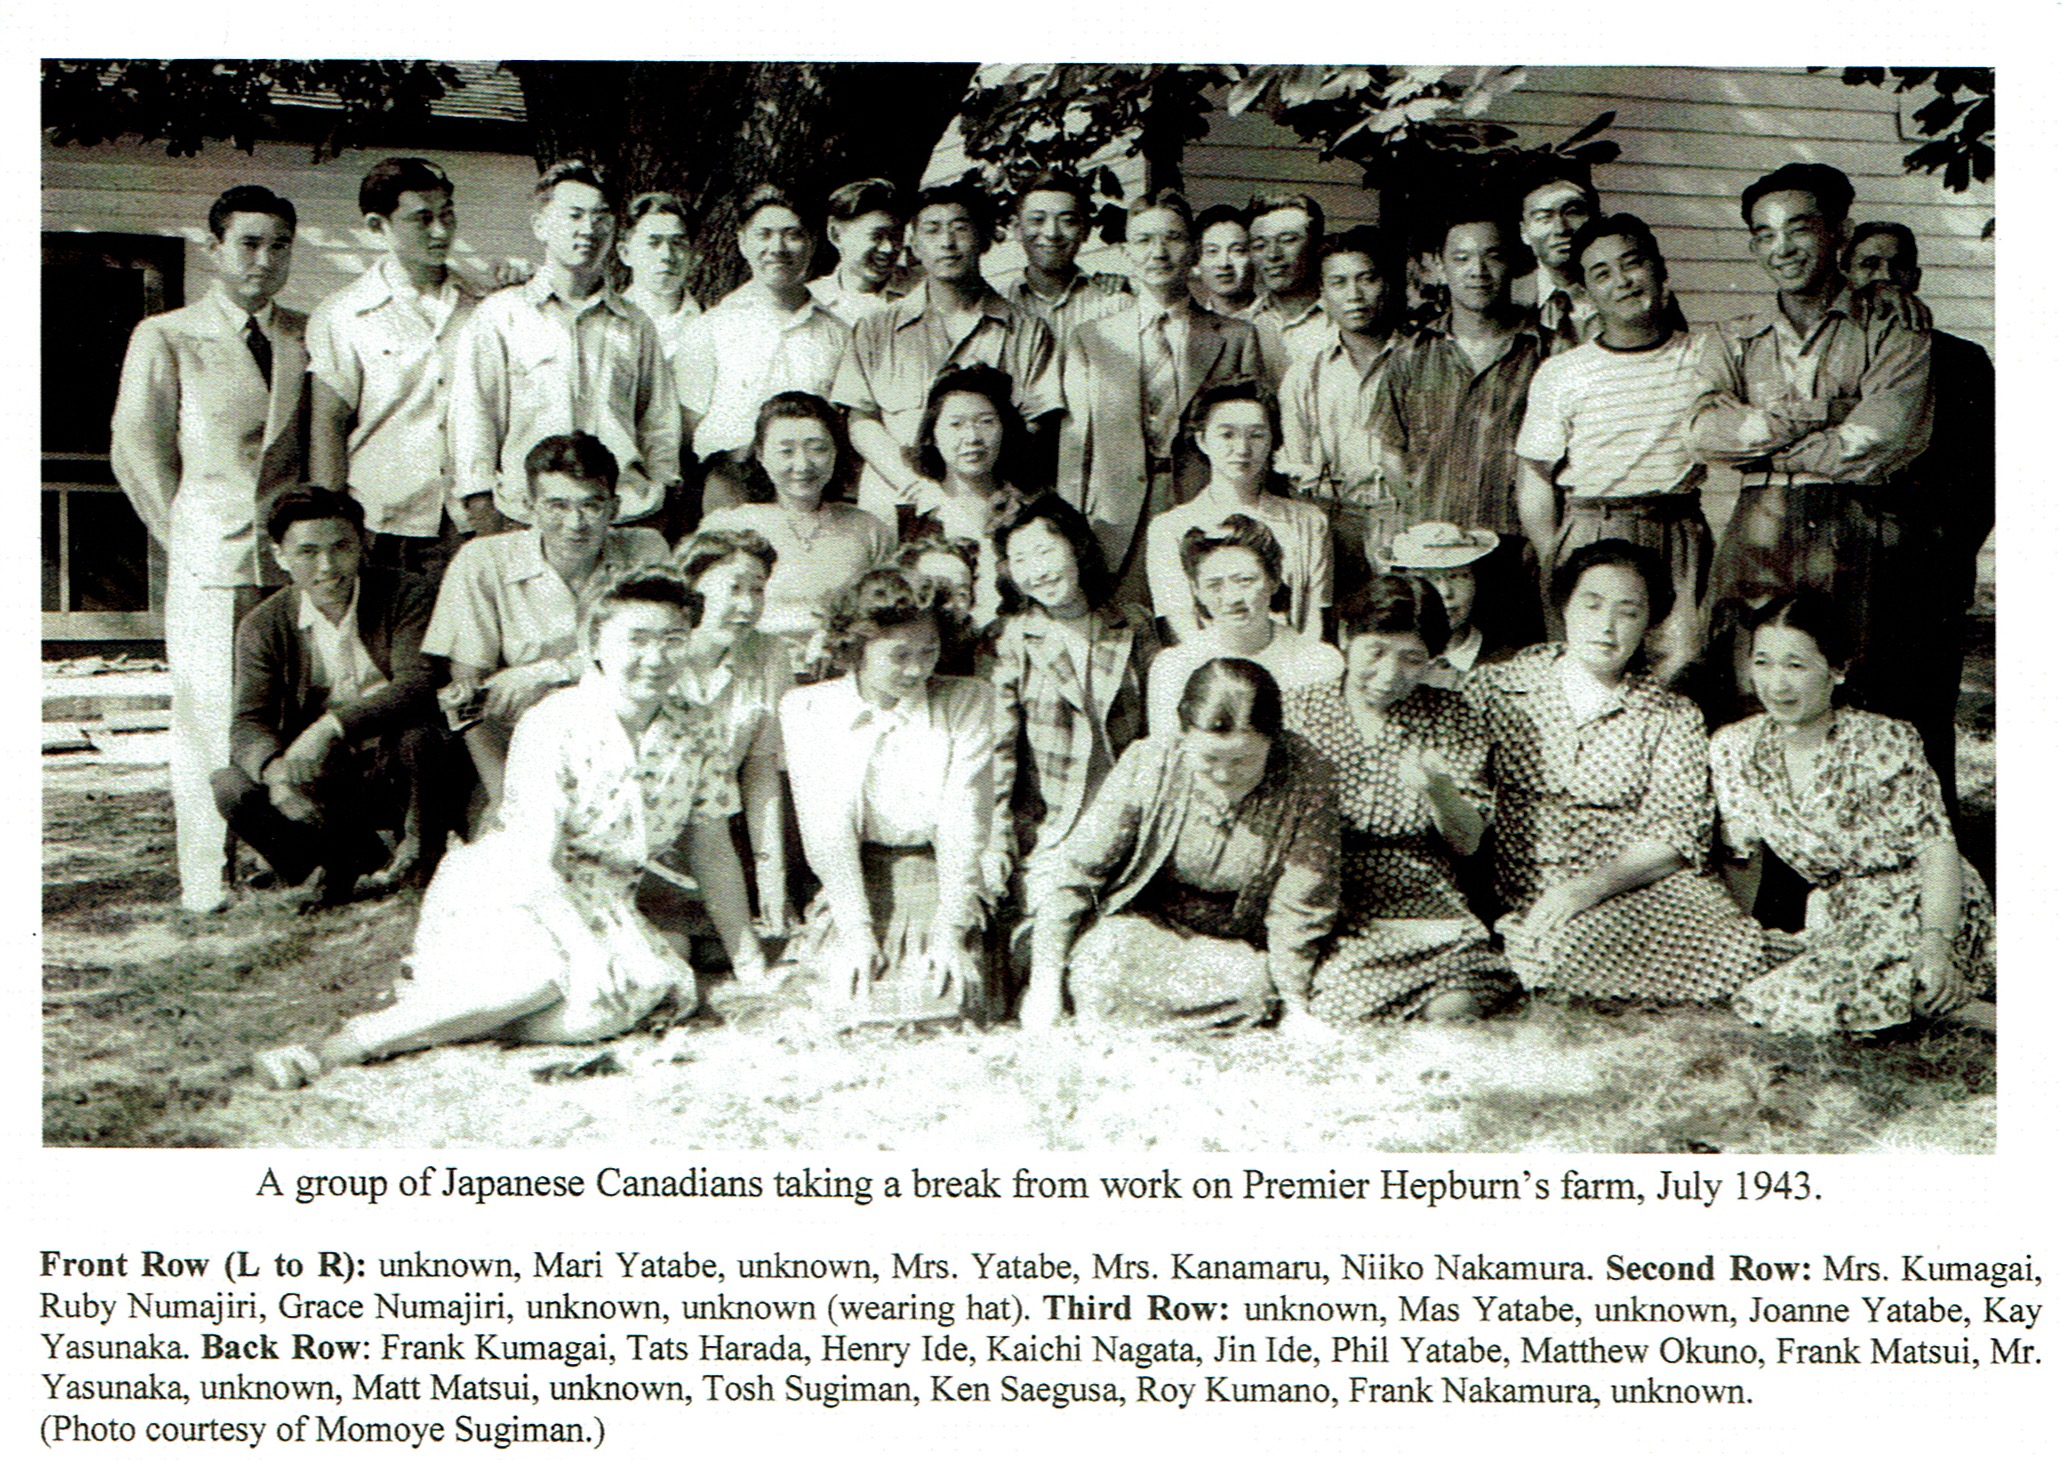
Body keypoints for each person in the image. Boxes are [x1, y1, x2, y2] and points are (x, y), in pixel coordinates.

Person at [254, 572, 738, 1090]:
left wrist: (748, 960)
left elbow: (713, 850)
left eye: (672, 641)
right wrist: (588, 954)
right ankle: (341, 1046)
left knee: (624, 1003)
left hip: (602, 900)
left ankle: (454, 1012)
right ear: (594, 643)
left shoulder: (697, 726)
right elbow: (534, 860)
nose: (656, 658)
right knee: (538, 979)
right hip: (511, 885)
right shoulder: (552, 722)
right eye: (636, 640)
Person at [111, 183, 308, 913]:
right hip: (210, 558)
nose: (265, 259)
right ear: (215, 249)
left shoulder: (305, 335)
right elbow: (137, 448)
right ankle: (205, 873)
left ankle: (278, 856)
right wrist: (183, 535)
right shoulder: (168, 335)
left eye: (280, 244)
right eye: (250, 243)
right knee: (206, 713)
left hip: (287, 559)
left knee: (278, 708)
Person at [1465, 540, 1769, 1002]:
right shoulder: (1498, 688)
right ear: (1565, 606)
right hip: (1535, 888)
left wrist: (1591, 887)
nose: (1607, 627)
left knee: (1736, 946)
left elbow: (1677, 831)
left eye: (1628, 612)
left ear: (1649, 621)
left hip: (1639, 884)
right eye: (1592, 605)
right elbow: (1465, 807)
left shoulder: (1670, 713)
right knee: (1563, 948)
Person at [1688, 163, 1933, 734]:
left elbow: (1877, 441)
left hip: (1857, 528)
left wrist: (1765, 442)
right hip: (1759, 532)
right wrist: (1822, 415)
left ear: (1838, 233)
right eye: (1764, 234)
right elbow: (1704, 433)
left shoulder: (1890, 328)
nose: (1783, 248)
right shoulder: (1733, 338)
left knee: (1858, 697)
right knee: (1747, 696)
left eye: (1799, 228)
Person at [1710, 590, 1994, 1036]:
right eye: (1762, 662)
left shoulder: (1886, 741)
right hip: (1842, 912)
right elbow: (1741, 855)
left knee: (1793, 998)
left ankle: (1980, 1013)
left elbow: (1937, 851)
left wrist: (1935, 942)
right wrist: (1737, 935)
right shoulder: (1734, 748)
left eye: (1796, 665)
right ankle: (1930, 999)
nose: (1776, 684)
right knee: (1764, 989)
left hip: (1924, 900)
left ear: (1836, 671)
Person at [1024, 657, 1339, 1036]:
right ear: (1184, 736)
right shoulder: (1149, 762)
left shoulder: (1307, 777)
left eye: (1243, 761)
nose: (1224, 775)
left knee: (1256, 989)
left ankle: (1125, 1019)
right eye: (1208, 758)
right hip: (1147, 928)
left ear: (1273, 742)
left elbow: (1301, 901)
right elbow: (1077, 875)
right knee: (1099, 961)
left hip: (1237, 946)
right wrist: (1045, 985)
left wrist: (1294, 1003)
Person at [1284, 577, 1517, 1024]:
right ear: (1344, 637)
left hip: (1427, 905)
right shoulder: (1298, 714)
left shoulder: (1452, 716)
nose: (1391, 675)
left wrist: (1439, 789)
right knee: (1347, 1011)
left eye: (1413, 659)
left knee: (1457, 1011)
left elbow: (1468, 842)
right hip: (1331, 905)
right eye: (1375, 652)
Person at [779, 569, 999, 1026]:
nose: (917, 670)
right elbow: (827, 827)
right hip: (854, 875)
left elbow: (965, 820)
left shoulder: (969, 700)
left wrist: (950, 929)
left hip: (943, 873)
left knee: (945, 997)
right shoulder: (807, 708)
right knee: (843, 996)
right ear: (856, 650)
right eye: (899, 656)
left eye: (929, 652)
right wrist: (857, 932)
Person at [213, 489, 444, 910]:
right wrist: (276, 772)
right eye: (307, 552)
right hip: (320, 773)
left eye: (341, 547)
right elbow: (248, 721)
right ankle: (332, 862)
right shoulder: (263, 625)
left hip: (393, 762)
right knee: (231, 786)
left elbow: (419, 683)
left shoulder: (407, 593)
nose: (327, 567)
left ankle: (418, 857)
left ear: (363, 543)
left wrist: (329, 727)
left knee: (422, 735)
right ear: (280, 556)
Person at [423, 432, 668, 823]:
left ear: (615, 507)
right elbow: (467, 700)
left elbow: (659, 660)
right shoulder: (482, 561)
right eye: (557, 505)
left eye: (592, 505)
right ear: (529, 507)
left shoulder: (646, 551)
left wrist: (545, 672)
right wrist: (503, 795)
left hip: (626, 744)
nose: (576, 523)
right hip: (522, 753)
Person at [1516, 213, 1711, 682]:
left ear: (1660, 270)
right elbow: (1536, 477)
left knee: (1678, 669)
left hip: (1675, 529)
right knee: (1590, 670)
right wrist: (1556, 557)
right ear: (1584, 293)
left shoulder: (1707, 356)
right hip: (1591, 530)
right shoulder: (1563, 372)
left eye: (1633, 264)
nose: (1622, 282)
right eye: (1602, 274)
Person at [1843, 218, 1992, 811]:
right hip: (1842, 557)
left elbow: (1987, 475)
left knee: (1921, 718)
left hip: (1924, 563)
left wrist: (1948, 550)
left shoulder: (1960, 360)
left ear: (1916, 277)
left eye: (1895, 265)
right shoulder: (1835, 357)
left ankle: (1935, 857)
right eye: (1866, 265)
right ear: (1846, 277)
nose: (1882, 279)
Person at [449, 159, 679, 533]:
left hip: (623, 515)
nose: (588, 229)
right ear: (540, 225)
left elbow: (658, 424)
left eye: (601, 217)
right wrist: (481, 508)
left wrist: (663, 494)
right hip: (527, 516)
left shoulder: (635, 324)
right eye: (574, 216)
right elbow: (474, 419)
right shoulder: (501, 316)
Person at [1057, 191, 1265, 594]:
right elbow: (1075, 450)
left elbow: (1255, 440)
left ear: (1192, 252)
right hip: (1116, 520)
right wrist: (1073, 530)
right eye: (1144, 240)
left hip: (1209, 509)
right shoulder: (1091, 339)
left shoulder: (1236, 338)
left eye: (1173, 238)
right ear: (1125, 253)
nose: (1159, 252)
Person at [832, 180, 1061, 522]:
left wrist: (980, 495)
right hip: (894, 506)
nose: (947, 243)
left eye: (960, 228)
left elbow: (1036, 425)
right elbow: (862, 421)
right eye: (932, 230)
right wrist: (918, 489)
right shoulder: (875, 329)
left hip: (992, 509)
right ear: (913, 242)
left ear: (984, 238)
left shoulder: (1027, 331)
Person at [1372, 204, 1548, 645]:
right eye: (1463, 258)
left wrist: (1539, 541)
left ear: (1512, 262)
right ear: (1440, 266)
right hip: (1435, 559)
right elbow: (1391, 450)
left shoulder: (1546, 354)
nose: (1478, 271)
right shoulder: (1412, 354)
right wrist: (1422, 518)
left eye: (1492, 256)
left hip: (1516, 556)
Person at [307, 157, 481, 581]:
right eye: (422, 219)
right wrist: (333, 526)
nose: (440, 232)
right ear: (376, 226)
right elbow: (328, 424)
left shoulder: (483, 305)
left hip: (468, 520)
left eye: (447, 216)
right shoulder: (344, 314)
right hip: (380, 523)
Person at [984, 493, 1156, 902]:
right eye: (1020, 560)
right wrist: (997, 845)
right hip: (1054, 831)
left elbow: (1160, 734)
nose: (1037, 571)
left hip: (1133, 826)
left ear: (1078, 546)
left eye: (1045, 551)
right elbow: (999, 753)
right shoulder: (1008, 639)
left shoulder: (1132, 623)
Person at [669, 528, 799, 966]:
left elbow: (761, 770)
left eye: (757, 590)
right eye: (733, 589)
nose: (747, 605)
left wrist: (771, 877)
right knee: (675, 956)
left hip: (725, 836)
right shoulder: (657, 653)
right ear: (692, 588)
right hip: (655, 835)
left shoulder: (769, 655)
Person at [676, 186, 849, 515]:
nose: (777, 248)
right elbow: (686, 428)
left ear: (812, 241)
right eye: (764, 235)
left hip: (811, 487)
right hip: (731, 485)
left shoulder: (837, 332)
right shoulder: (710, 327)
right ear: (742, 242)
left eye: (793, 235)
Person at [697, 392, 895, 657]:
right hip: (750, 670)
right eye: (786, 451)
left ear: (836, 450)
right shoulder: (727, 526)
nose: (802, 465)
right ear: (761, 455)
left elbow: (887, 617)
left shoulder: (870, 529)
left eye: (817, 448)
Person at [1278, 227, 1410, 601]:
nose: (1353, 295)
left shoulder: (1424, 359)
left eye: (1366, 279)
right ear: (1322, 294)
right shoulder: (1306, 374)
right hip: (1333, 522)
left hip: (1407, 515)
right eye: (1338, 282)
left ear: (1386, 283)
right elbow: (1296, 470)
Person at [1143, 381, 1331, 640]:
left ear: (1271, 441)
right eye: (1227, 435)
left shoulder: (1308, 521)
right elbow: (1181, 624)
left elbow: (1314, 621)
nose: (1242, 449)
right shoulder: (1169, 528)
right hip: (1212, 669)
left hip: (1292, 664)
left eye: (1256, 435)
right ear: (1203, 440)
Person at [1144, 514, 1342, 734]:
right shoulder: (1174, 667)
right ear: (1196, 591)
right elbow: (1168, 757)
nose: (1232, 598)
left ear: (1274, 580)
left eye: (1245, 581)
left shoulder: (1317, 661)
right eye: (1214, 585)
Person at [904, 363, 1032, 630]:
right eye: (956, 424)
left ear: (1005, 428)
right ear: (933, 435)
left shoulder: (1031, 511)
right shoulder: (909, 517)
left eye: (986, 422)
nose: (972, 437)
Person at [997, 170, 1131, 346]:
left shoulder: (1113, 303)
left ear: (1085, 230)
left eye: (1067, 221)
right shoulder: (997, 306)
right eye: (1037, 220)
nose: (1052, 233)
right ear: (1017, 229)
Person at [1381, 521, 1518, 689]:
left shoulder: (1509, 661)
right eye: (1429, 578)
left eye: (1458, 577)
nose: (1445, 592)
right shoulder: (1384, 663)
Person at [1510, 163, 1601, 352]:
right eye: (1544, 217)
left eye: (1573, 213)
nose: (1561, 229)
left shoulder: (1626, 293)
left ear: (1595, 220)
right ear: (1524, 232)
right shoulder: (1507, 299)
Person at [1245, 192, 1332, 381]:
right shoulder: (1240, 326)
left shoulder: (1343, 320)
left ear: (1318, 247)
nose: (1273, 255)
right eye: (1260, 245)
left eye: (1287, 240)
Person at [808, 177, 913, 329]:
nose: (888, 248)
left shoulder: (923, 290)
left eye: (896, 236)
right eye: (876, 236)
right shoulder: (812, 301)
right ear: (836, 235)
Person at [616, 191, 703, 366]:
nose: (666, 255)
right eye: (653, 243)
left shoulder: (713, 327)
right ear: (626, 253)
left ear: (693, 257)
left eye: (677, 243)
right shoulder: (603, 325)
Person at [1191, 202, 1257, 317]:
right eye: (1212, 251)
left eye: (1237, 250)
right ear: (1197, 264)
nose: (1224, 263)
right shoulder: (1189, 323)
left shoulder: (1276, 321)